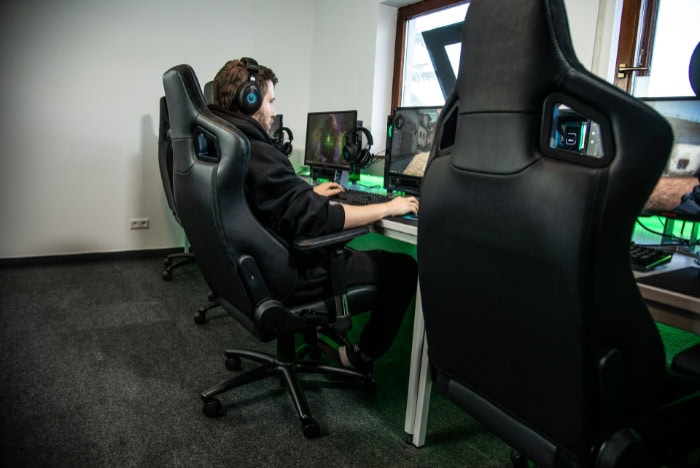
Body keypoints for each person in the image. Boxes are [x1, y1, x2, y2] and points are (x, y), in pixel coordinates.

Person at [209, 57, 419, 372]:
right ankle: (360, 356)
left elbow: (273, 201)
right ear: (249, 99)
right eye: (270, 101)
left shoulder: (229, 144)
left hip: (254, 266)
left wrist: (306, 193)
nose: (274, 112)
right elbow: (320, 221)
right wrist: (389, 207)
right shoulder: (255, 150)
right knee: (403, 267)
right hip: (290, 273)